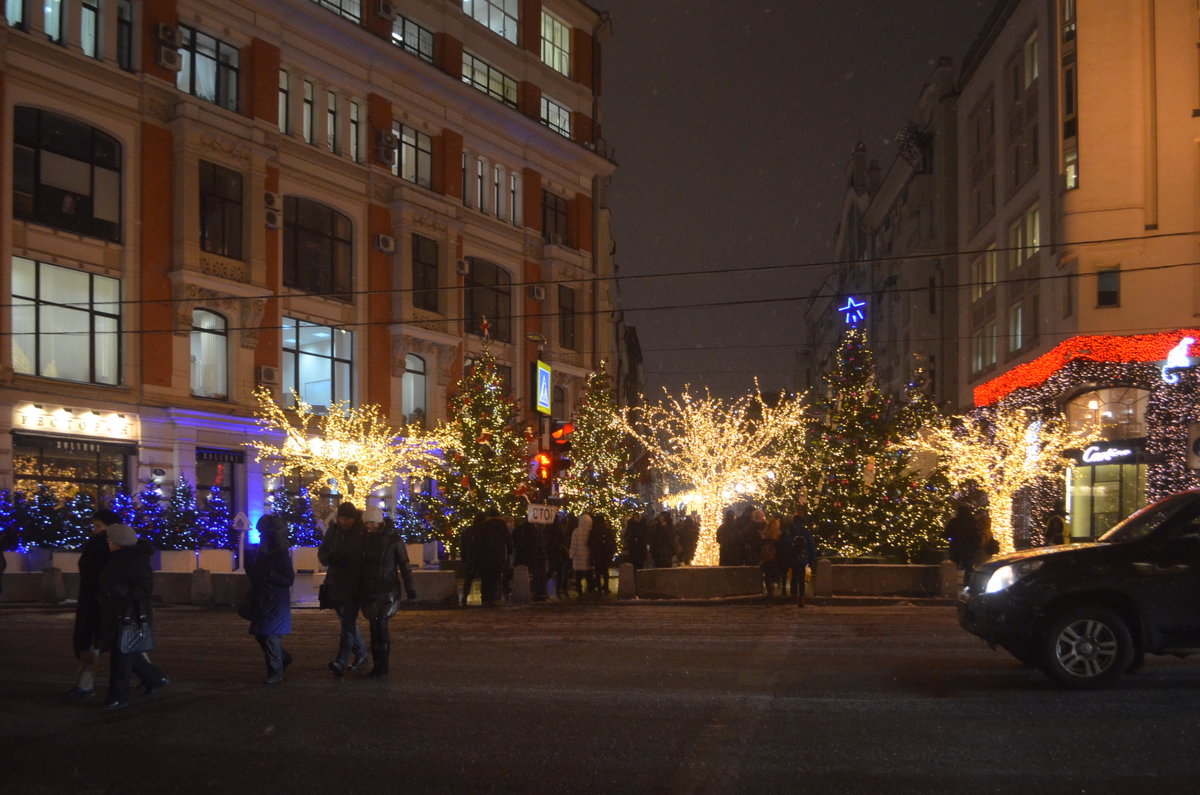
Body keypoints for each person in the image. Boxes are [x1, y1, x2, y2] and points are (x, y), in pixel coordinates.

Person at [97, 524, 167, 710]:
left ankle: (118, 696)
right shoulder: (119, 558)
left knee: (122, 655)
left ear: (119, 542)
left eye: (111, 539)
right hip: (118, 612)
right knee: (126, 651)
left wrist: (121, 595)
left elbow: (143, 589)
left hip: (129, 614)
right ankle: (154, 678)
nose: (108, 542)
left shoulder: (133, 560)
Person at [63, 508, 120, 702]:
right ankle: (84, 684)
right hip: (96, 601)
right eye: (94, 526)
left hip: (99, 602)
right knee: (117, 644)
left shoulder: (103, 545)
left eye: (98, 526)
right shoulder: (101, 544)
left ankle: (85, 685)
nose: (95, 529)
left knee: (94, 643)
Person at [318, 501, 368, 677]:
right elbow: (323, 551)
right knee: (346, 621)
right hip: (336, 582)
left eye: (347, 518)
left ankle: (341, 660)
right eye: (341, 518)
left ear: (354, 518)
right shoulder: (334, 530)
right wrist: (330, 558)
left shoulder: (362, 532)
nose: (343, 521)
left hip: (354, 584)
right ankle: (361, 653)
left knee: (347, 622)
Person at [359, 505, 407, 678]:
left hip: (387, 589)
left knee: (381, 626)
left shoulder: (393, 540)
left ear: (379, 522)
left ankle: (383, 666)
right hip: (370, 589)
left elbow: (404, 564)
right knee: (374, 627)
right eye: (366, 523)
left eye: (371, 522)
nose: (368, 526)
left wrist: (410, 588)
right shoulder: (364, 539)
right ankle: (377, 666)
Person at [246, 515, 294, 685]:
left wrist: (269, 575)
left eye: (262, 532)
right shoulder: (263, 552)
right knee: (262, 635)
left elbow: (288, 579)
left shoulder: (280, 554)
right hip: (263, 601)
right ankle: (282, 658)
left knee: (270, 637)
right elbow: (256, 574)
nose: (260, 536)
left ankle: (276, 671)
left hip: (274, 602)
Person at [785, 508, 818, 607]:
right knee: (802, 579)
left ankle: (794, 596)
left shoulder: (790, 531)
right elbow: (811, 546)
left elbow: (787, 545)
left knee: (794, 577)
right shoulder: (806, 532)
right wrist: (812, 560)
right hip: (803, 557)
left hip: (793, 557)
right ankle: (801, 598)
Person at [946, 502, 985, 577]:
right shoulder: (973, 522)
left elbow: (947, 533)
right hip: (969, 548)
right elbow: (977, 535)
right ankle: (967, 583)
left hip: (956, 547)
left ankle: (951, 582)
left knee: (954, 566)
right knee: (969, 567)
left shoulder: (954, 521)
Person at [755, 512, 782, 606]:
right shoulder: (779, 536)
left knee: (767, 577)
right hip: (775, 560)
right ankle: (771, 596)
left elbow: (759, 546)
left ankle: (769, 596)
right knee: (772, 577)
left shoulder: (764, 536)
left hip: (766, 560)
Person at [458, 513, 484, 606]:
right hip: (481, 557)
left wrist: (464, 557)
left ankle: (465, 596)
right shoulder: (484, 530)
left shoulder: (468, 530)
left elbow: (463, 545)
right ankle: (484, 596)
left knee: (469, 578)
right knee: (484, 578)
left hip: (470, 557)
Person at [588, 513, 617, 593]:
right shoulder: (607, 530)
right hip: (606, 554)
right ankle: (606, 587)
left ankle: (599, 588)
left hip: (597, 554)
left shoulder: (593, 531)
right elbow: (612, 542)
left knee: (598, 572)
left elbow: (590, 543)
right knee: (605, 572)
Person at [569, 513, 594, 596]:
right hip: (588, 557)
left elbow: (573, 544)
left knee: (578, 575)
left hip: (578, 557)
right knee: (589, 574)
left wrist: (571, 555)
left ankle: (579, 590)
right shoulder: (591, 532)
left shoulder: (576, 532)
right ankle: (590, 589)